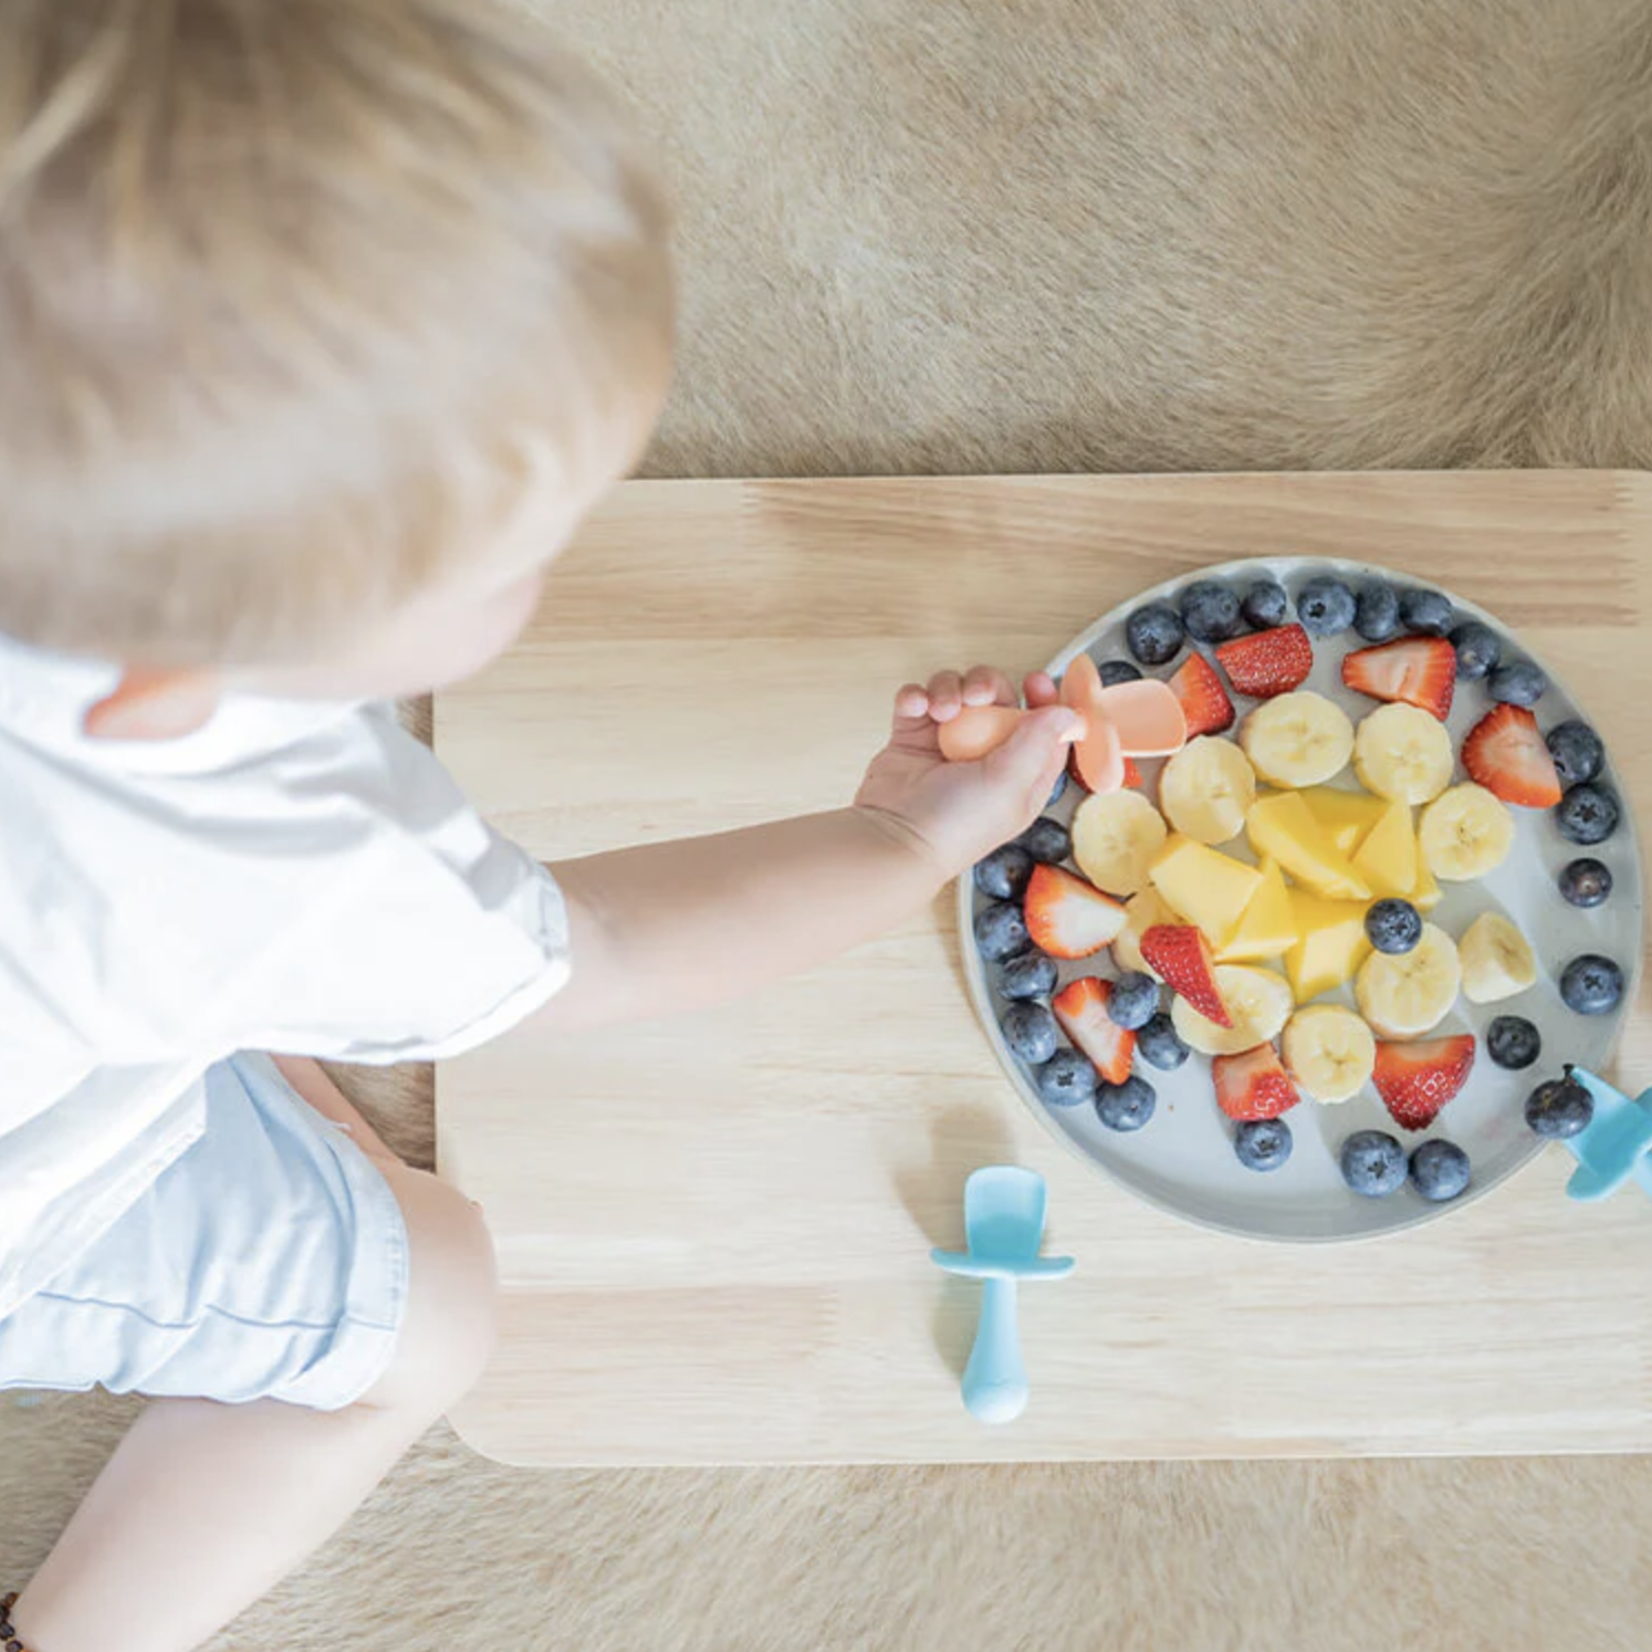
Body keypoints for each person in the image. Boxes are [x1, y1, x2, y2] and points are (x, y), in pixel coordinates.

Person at [0, 4, 1079, 1649]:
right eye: (515, 558)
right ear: (170, 680)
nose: (550, 571)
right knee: (433, 1302)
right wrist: (905, 844)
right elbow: (603, 954)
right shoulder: (266, 834)